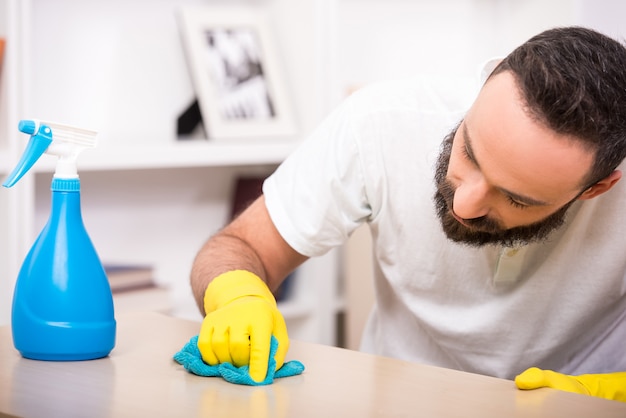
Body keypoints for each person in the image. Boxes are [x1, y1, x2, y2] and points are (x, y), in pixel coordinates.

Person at [190, 26, 626, 401]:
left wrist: (604, 394)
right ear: (486, 81)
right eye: (469, 152)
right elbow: (244, 246)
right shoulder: (382, 124)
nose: (464, 204)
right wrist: (237, 296)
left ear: (598, 188)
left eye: (517, 199)